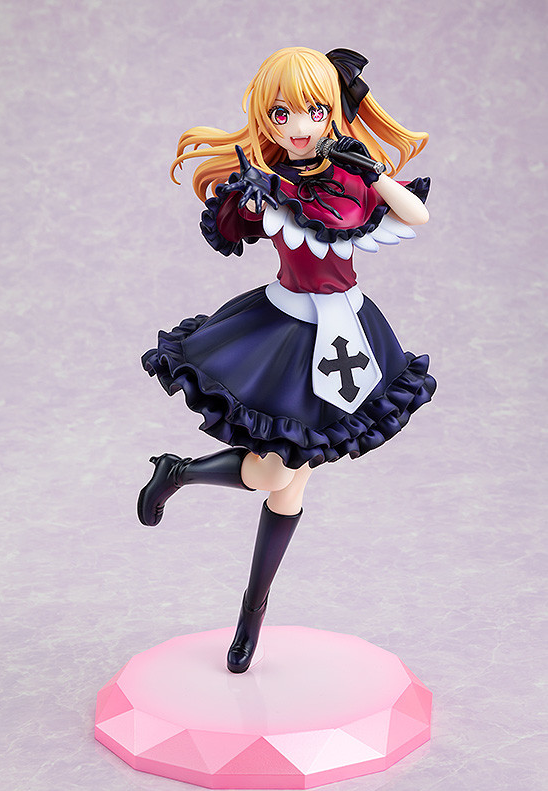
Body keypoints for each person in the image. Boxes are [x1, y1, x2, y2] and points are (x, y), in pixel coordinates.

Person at [138, 46, 436, 673]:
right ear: (265, 118)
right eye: (281, 113)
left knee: (289, 489)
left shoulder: (349, 177)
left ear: (332, 112)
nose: (298, 126)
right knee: (277, 476)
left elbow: (416, 213)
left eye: (313, 111)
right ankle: (179, 473)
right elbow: (235, 225)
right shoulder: (271, 185)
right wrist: (253, 196)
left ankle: (251, 618)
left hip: (350, 330)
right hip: (287, 334)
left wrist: (372, 171)